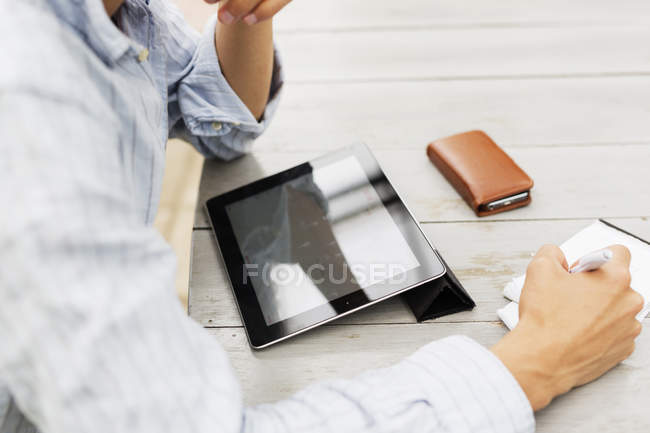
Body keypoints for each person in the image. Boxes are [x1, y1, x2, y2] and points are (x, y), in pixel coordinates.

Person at [0, 0, 643, 432]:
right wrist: (538, 361)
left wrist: (243, 17)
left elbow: (215, 121)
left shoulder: (116, 14)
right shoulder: (28, 106)